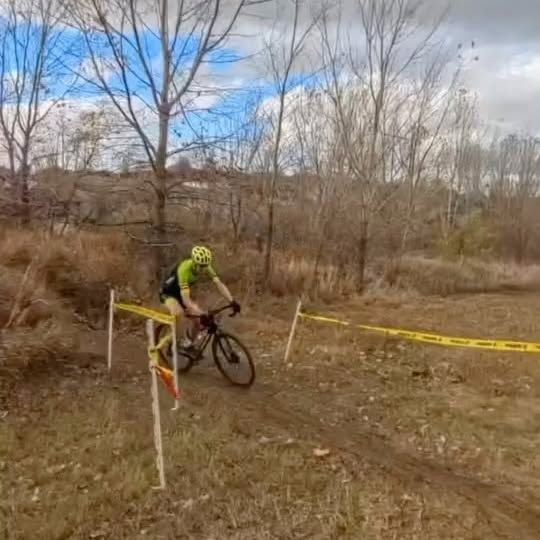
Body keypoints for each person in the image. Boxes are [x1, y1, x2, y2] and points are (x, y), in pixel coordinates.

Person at [159, 245, 240, 349]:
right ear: (194, 263)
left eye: (205, 266)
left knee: (197, 322)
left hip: (182, 293)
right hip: (168, 293)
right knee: (179, 313)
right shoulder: (184, 269)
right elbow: (186, 300)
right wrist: (202, 314)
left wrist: (232, 301)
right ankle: (170, 341)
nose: (203, 269)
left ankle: (189, 344)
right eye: (201, 266)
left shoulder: (206, 266)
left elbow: (219, 284)